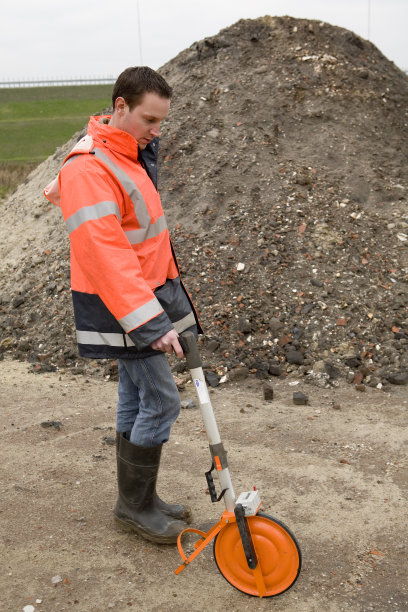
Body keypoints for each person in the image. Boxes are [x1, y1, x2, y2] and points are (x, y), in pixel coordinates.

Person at [44, 66, 201, 544]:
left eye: (161, 122)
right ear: (119, 107)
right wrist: (152, 323)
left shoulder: (127, 153)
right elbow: (108, 258)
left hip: (142, 295)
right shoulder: (90, 169)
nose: (158, 131)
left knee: (135, 397)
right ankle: (134, 506)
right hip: (124, 304)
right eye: (150, 120)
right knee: (161, 400)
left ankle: (140, 501)